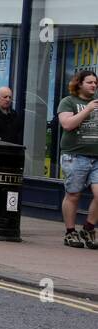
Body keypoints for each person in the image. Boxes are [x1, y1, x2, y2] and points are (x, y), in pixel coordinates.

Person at [57, 69, 98, 249]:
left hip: (96, 158)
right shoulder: (68, 101)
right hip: (74, 155)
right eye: (89, 82)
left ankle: (88, 228)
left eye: (95, 83)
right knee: (73, 195)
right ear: (79, 83)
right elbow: (67, 124)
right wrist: (88, 109)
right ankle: (70, 232)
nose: (94, 85)